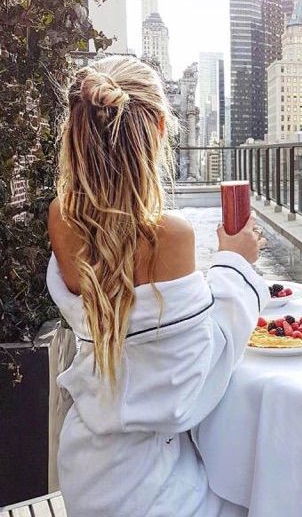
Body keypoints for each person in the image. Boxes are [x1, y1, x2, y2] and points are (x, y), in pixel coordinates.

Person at [47, 55, 267, 517]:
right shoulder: (169, 235)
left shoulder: (62, 217)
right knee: (272, 494)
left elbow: (131, 331)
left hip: (86, 467)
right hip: (150, 488)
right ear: (161, 129)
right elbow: (189, 387)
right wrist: (234, 262)